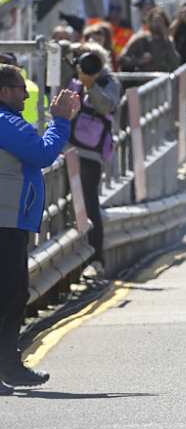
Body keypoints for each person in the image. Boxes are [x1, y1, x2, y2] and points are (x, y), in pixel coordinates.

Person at [0, 64, 80, 390]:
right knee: (10, 295)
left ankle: (7, 366)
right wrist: (60, 119)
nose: (25, 93)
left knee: (10, 294)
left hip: (9, 220)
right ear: (4, 92)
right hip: (6, 222)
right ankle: (8, 367)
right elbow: (44, 153)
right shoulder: (5, 122)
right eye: (20, 88)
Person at [67, 46, 121, 270]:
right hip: (67, 151)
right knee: (65, 207)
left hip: (90, 153)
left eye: (93, 59)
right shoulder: (72, 80)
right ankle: (73, 257)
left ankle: (95, 257)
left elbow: (106, 106)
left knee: (89, 204)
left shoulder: (110, 83)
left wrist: (92, 85)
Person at [119, 7, 180, 73]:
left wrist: (167, 39)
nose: (158, 24)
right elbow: (122, 59)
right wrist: (139, 61)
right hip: (146, 79)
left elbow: (175, 64)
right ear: (150, 22)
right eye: (156, 21)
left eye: (161, 21)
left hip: (164, 79)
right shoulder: (141, 39)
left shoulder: (168, 41)